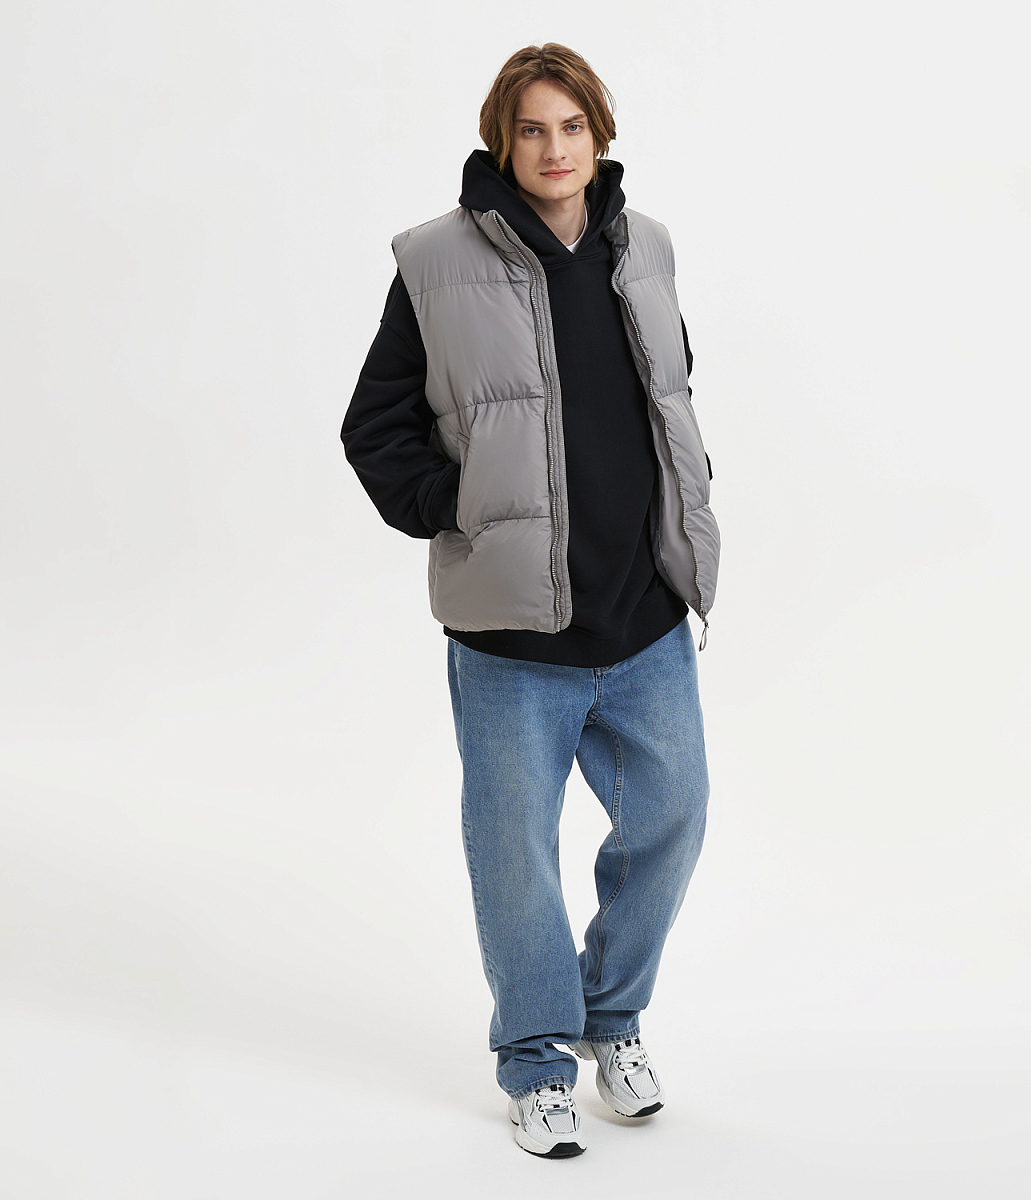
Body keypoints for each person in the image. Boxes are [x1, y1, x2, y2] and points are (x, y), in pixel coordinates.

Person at [340, 42, 720, 1158]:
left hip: (643, 614)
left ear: (600, 133)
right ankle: (538, 1061)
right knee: (514, 854)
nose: (555, 149)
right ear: (502, 144)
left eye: (572, 126)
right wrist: (461, 509)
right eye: (531, 130)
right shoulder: (435, 262)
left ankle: (614, 1018)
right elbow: (374, 428)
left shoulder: (645, 245)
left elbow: (670, 392)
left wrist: (686, 503)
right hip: (511, 635)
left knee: (674, 818)